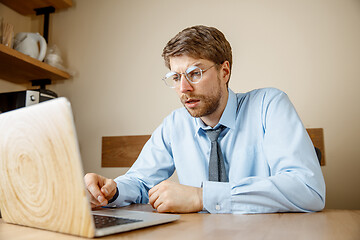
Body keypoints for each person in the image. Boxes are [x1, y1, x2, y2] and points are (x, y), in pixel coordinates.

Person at [85, 25, 325, 214]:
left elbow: (308, 189)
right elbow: (140, 181)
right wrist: (113, 190)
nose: (183, 88)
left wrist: (202, 197)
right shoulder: (174, 125)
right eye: (176, 77)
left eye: (195, 73)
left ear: (225, 71)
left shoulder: (269, 105)